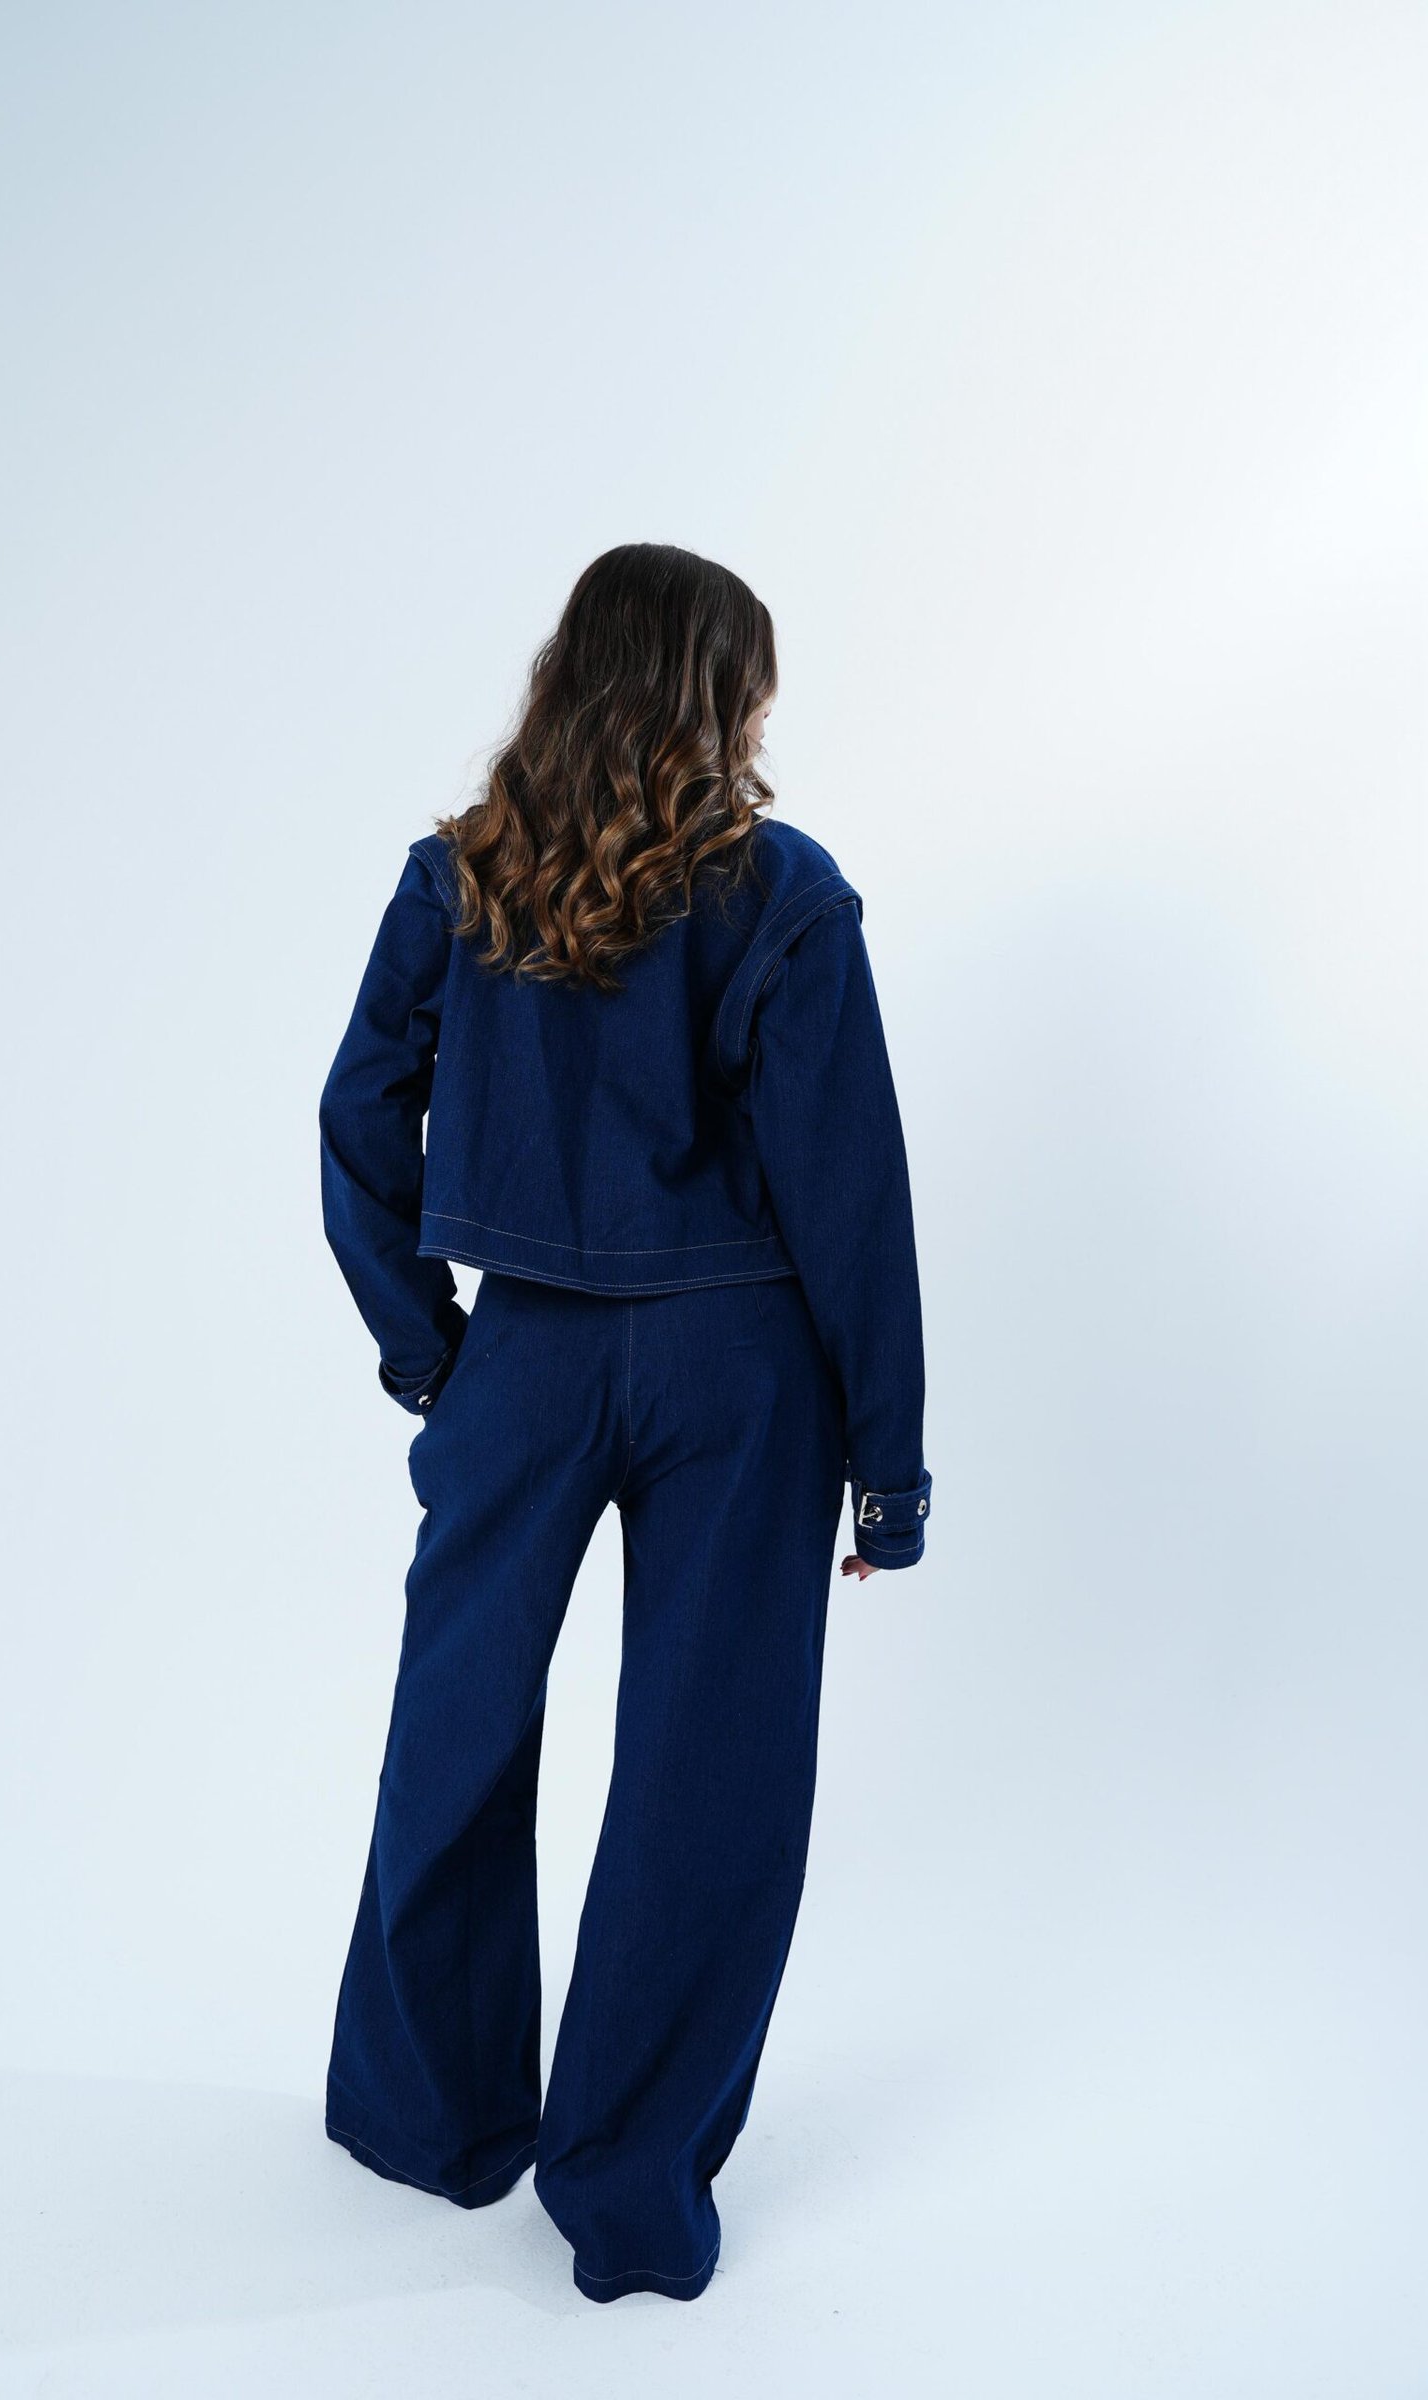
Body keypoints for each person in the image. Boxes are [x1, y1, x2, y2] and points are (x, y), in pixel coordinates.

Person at [316, 541, 933, 2304]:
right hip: (743, 1374)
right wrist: (885, 1468)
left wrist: (430, 1351)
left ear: (572, 671)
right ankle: (628, 2189)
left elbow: (357, 1117)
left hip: (523, 1355)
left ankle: (435, 2125)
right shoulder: (787, 896)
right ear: (721, 695)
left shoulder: (461, 879)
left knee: (454, 1729)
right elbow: (852, 1201)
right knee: (707, 1771)